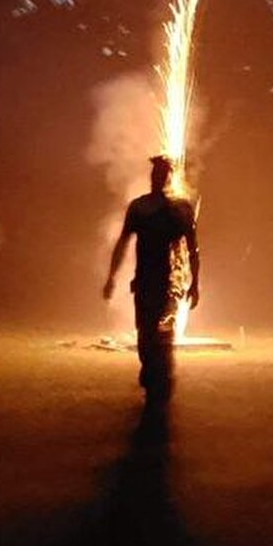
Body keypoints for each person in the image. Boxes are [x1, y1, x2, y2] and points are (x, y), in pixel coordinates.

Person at [103, 155, 200, 404]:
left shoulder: (179, 210)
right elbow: (123, 243)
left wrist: (195, 283)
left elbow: (192, 249)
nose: (157, 178)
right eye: (154, 174)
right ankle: (152, 376)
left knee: (161, 334)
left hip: (168, 284)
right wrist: (111, 277)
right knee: (146, 335)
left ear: (167, 178)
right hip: (145, 282)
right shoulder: (140, 208)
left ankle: (160, 380)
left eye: (161, 174)